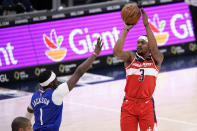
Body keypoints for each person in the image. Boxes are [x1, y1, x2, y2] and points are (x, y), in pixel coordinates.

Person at [25, 38, 103, 131]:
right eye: (55, 79)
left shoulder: (35, 96)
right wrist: (95, 54)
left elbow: (29, 110)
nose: (57, 81)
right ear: (52, 82)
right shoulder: (56, 94)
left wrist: (26, 126)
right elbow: (79, 72)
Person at [113, 8, 164, 131]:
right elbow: (117, 52)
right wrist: (126, 29)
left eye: (143, 42)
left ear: (149, 45)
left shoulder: (156, 59)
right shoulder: (130, 58)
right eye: (138, 43)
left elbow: (154, 48)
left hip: (146, 105)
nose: (139, 45)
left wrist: (146, 25)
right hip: (128, 104)